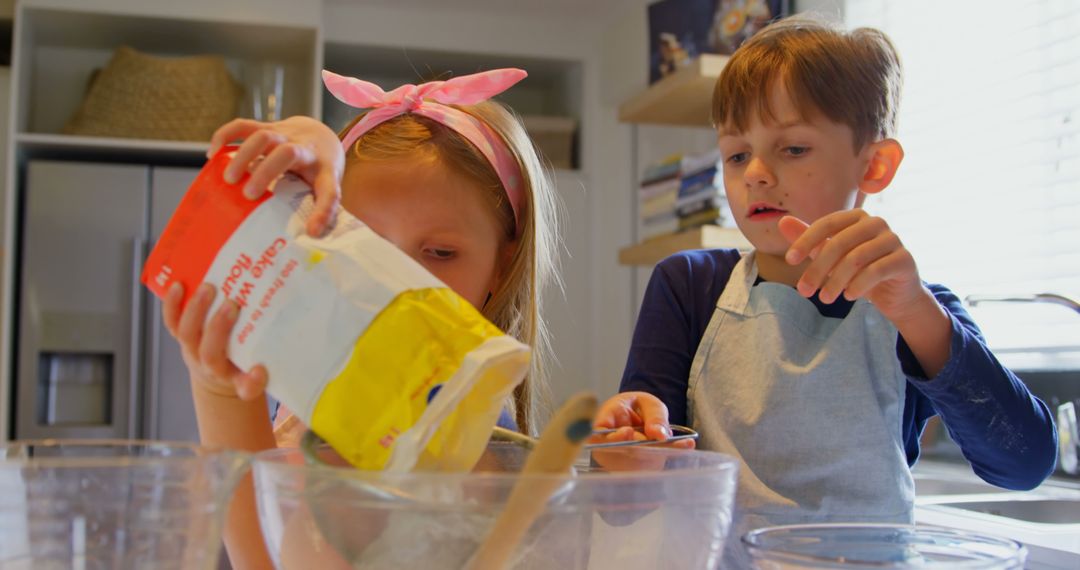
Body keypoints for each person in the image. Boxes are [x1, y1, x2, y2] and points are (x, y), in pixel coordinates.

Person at [595, 15, 1058, 564]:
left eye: (792, 148)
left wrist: (915, 310)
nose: (757, 174)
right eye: (737, 153)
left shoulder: (915, 310)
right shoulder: (689, 286)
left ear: (875, 165)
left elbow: (1022, 463)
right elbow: (625, 500)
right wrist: (625, 449)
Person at [161, 68, 560, 569]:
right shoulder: (308, 394)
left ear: (501, 268)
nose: (400, 282)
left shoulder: (468, 426)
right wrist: (216, 386)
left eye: (438, 252)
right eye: (366, 246)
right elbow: (257, 557)